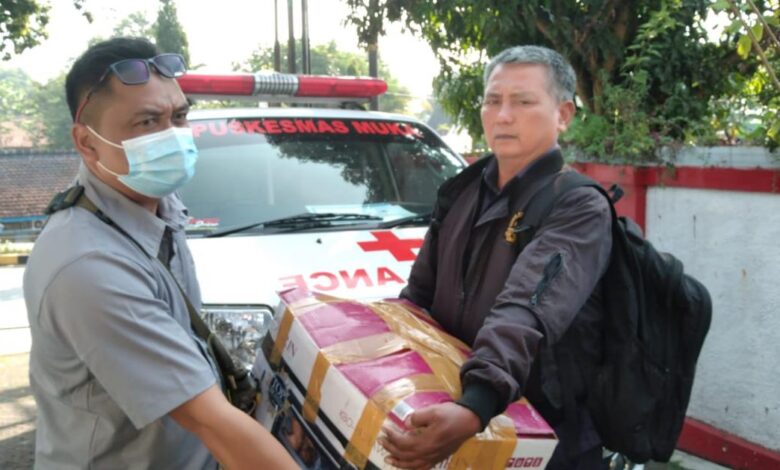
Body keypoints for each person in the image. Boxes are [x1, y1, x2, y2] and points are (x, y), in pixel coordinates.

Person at [23, 37, 296, 469]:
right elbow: (211, 423)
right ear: (87, 143)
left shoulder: (155, 211)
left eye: (179, 116)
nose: (172, 136)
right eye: (147, 122)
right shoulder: (88, 264)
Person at [379, 45, 613, 469]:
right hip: (462, 417)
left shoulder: (578, 206)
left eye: (523, 102)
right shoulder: (461, 191)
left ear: (563, 114)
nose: (503, 115)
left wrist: (477, 403)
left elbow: (525, 309)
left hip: (545, 435)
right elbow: (418, 297)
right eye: (492, 100)